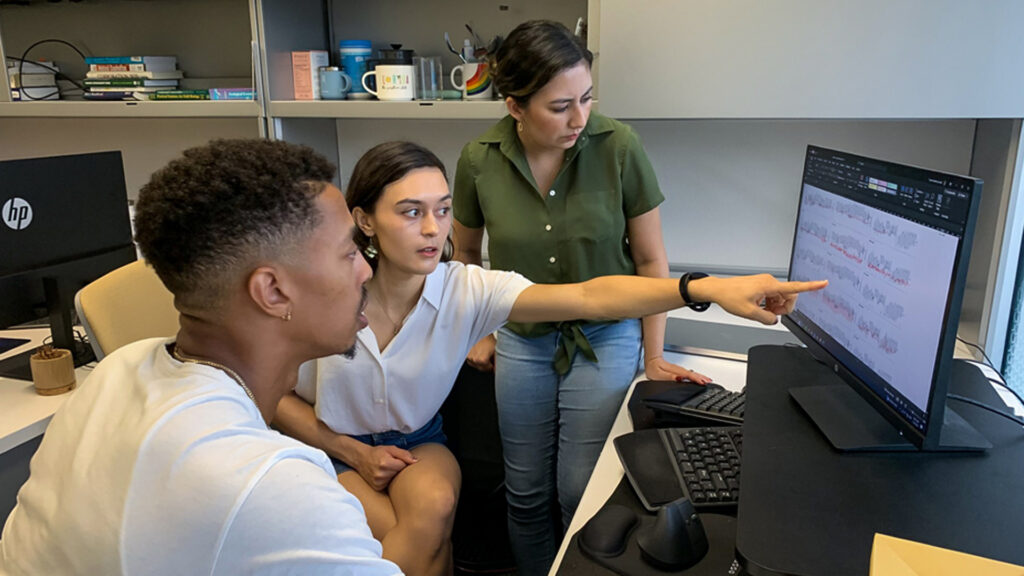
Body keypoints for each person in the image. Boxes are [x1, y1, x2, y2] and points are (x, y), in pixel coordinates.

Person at [273, 141, 826, 576]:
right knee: (404, 531)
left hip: (419, 441)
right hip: (330, 448)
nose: (431, 229)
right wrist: (348, 450)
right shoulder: (322, 293)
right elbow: (271, 397)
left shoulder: (466, 289)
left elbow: (591, 296)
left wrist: (703, 288)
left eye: (442, 211)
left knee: (435, 508)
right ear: (364, 220)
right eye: (410, 212)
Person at [0, 139, 401, 575]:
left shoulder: (118, 368)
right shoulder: (274, 487)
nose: (365, 268)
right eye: (348, 253)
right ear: (272, 291)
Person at [450, 19, 721, 574]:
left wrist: (653, 355)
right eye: (559, 106)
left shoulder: (619, 144)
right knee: (524, 493)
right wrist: (478, 330)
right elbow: (463, 260)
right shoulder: (478, 159)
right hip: (521, 338)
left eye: (587, 98)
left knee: (580, 491)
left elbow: (650, 262)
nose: (579, 118)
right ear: (515, 106)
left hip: (607, 334)